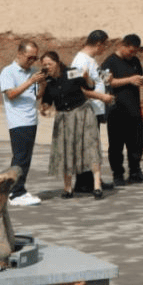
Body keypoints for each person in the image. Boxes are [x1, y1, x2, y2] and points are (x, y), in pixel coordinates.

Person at [39, 50, 106, 198]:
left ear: (57, 63)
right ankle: (68, 188)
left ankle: (97, 186)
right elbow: (47, 100)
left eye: (49, 64)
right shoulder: (48, 81)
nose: (47, 67)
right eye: (44, 65)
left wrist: (88, 80)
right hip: (63, 117)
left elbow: (89, 87)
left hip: (82, 113)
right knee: (66, 150)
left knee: (90, 147)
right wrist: (44, 107)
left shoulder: (71, 73)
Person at [0, 41, 43, 205]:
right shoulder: (8, 72)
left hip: (31, 118)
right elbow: (11, 94)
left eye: (35, 58)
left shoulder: (32, 72)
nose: (32, 61)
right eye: (30, 57)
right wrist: (30, 82)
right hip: (18, 120)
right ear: (19, 54)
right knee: (20, 158)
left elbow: (37, 96)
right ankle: (15, 193)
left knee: (25, 158)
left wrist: (42, 82)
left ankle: (17, 190)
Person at [101, 34, 143, 185]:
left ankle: (135, 171)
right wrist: (129, 80)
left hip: (134, 108)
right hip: (116, 109)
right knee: (116, 145)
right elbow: (106, 82)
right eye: (130, 51)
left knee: (136, 142)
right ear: (122, 46)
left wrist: (140, 80)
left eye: (135, 52)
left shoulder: (135, 61)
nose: (132, 54)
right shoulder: (109, 61)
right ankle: (118, 174)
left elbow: (138, 76)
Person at [71, 29, 110, 193]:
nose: (104, 50)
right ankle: (84, 182)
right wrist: (100, 97)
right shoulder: (80, 61)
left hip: (94, 109)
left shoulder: (90, 60)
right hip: (87, 109)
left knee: (91, 145)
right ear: (99, 44)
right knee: (87, 146)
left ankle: (92, 179)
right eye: (105, 46)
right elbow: (77, 87)